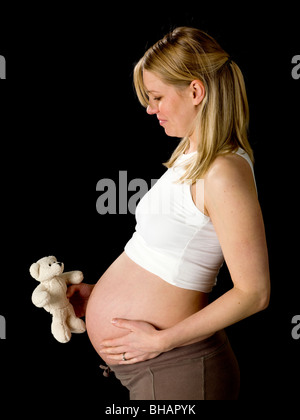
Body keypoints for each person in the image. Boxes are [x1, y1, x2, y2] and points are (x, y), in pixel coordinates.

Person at [67, 27, 270, 400]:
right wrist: (96, 298)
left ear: (195, 91)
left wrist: (161, 340)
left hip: (180, 368)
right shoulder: (189, 156)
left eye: (157, 97)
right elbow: (169, 259)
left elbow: (254, 292)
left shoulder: (224, 171)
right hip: (157, 368)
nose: (149, 109)